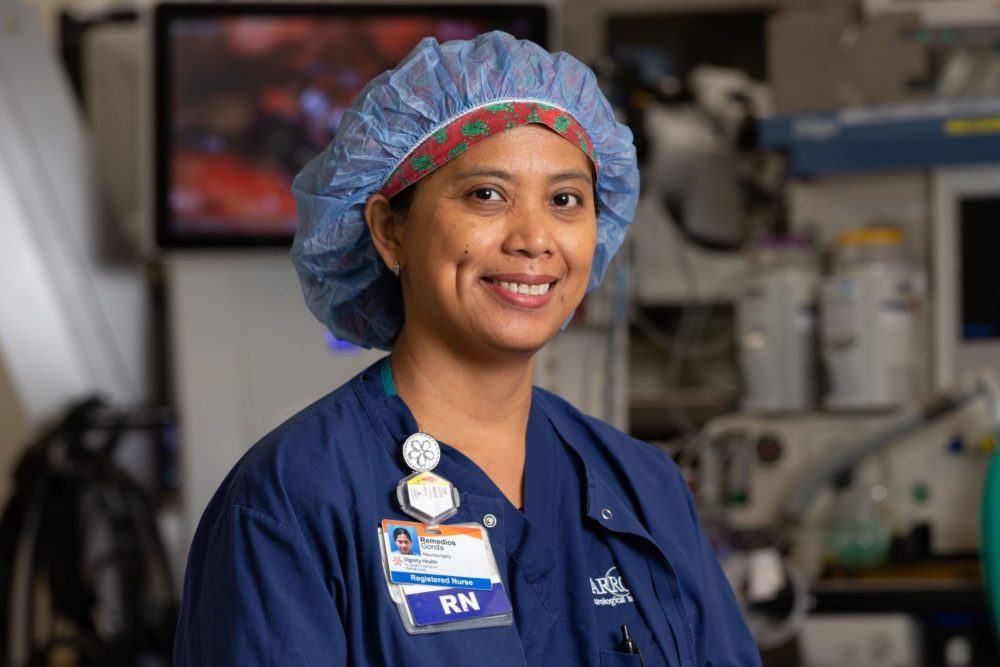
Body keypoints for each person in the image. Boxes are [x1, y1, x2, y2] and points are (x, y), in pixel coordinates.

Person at [174, 31, 760, 666]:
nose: (535, 239)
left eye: (566, 200)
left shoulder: (646, 487)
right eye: (487, 195)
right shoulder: (293, 499)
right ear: (389, 230)